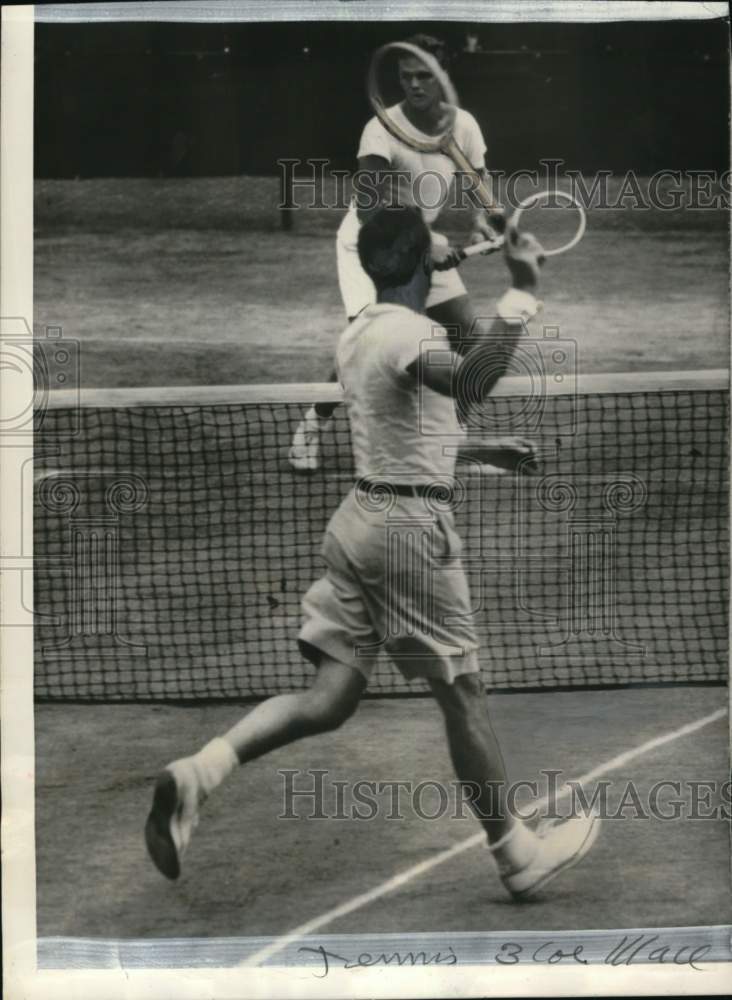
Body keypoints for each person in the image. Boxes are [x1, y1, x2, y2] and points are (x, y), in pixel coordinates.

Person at [145, 204, 599, 900]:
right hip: (408, 535)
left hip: (359, 521)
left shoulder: (357, 333)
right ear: (424, 265)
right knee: (463, 694)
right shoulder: (409, 332)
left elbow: (399, 428)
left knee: (328, 700)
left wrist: (477, 451)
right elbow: (475, 381)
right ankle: (517, 855)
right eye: (437, 251)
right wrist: (521, 293)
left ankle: (199, 772)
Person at [289, 32, 503, 471]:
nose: (415, 85)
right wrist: (427, 245)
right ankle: (312, 425)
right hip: (368, 244)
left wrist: (484, 217)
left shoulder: (463, 125)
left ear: (444, 75)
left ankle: (450, 443)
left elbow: (479, 185)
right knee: (371, 346)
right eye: (407, 77)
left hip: (421, 242)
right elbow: (370, 210)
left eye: (425, 75)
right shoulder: (380, 128)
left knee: (470, 341)